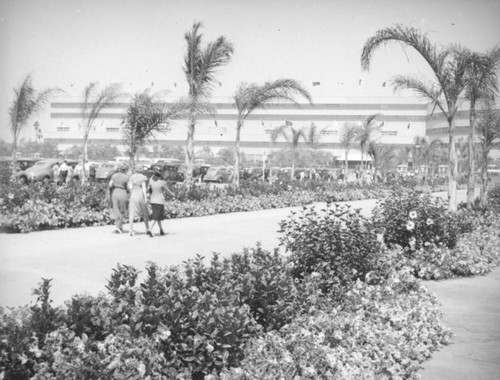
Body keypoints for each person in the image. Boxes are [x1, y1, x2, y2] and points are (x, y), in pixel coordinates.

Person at [148, 170, 174, 236]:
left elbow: (151, 178)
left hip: (153, 200)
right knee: (156, 217)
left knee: (158, 216)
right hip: (159, 201)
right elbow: (167, 191)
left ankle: (161, 230)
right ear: (160, 176)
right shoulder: (162, 182)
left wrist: (154, 173)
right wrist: (172, 194)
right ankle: (150, 229)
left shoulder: (151, 181)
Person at [128, 169, 152, 237]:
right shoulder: (143, 177)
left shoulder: (132, 177)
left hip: (133, 195)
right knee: (145, 213)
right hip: (140, 195)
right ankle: (147, 229)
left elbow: (130, 187)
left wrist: (131, 194)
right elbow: (144, 188)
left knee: (131, 213)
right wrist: (145, 197)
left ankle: (130, 230)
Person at [109, 163, 129, 234]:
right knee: (122, 210)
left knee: (116, 209)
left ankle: (119, 227)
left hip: (115, 192)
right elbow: (129, 187)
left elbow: (110, 184)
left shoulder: (114, 176)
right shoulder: (127, 177)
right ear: (125, 170)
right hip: (123, 193)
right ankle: (119, 227)